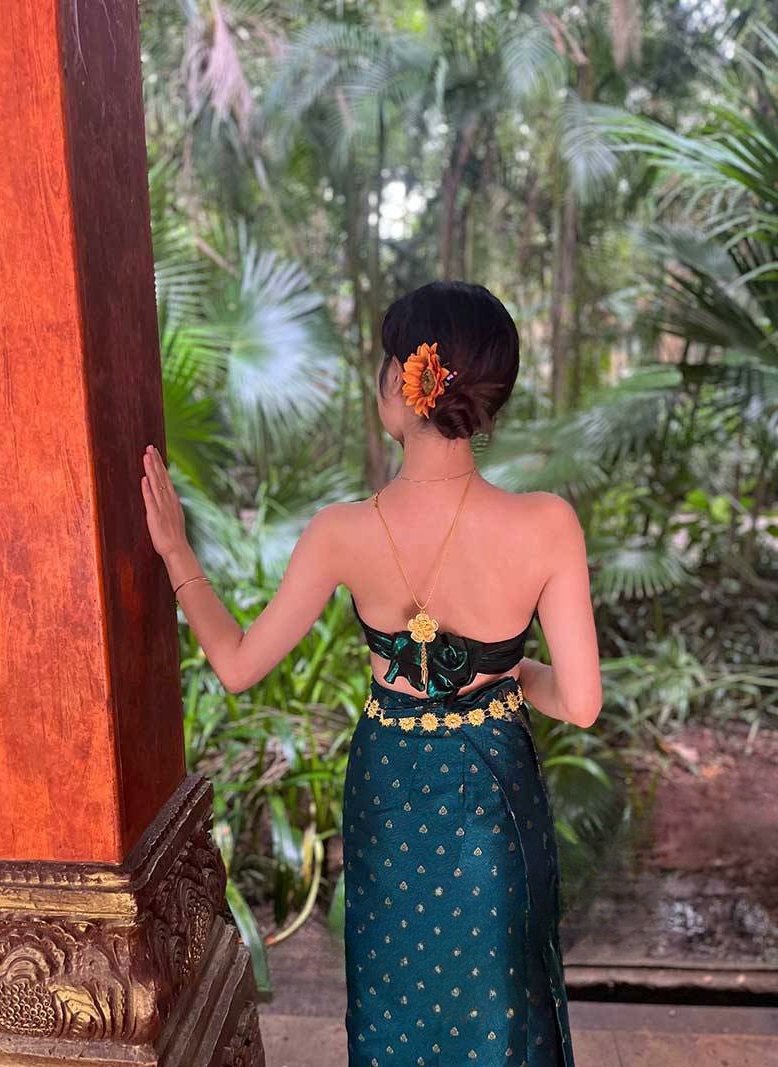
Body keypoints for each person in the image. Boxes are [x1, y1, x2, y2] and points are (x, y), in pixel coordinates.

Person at [141, 279, 602, 1067]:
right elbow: (583, 704)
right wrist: (511, 672)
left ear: (403, 379)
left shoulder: (341, 532)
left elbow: (238, 664)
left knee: (397, 999)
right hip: (492, 798)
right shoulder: (547, 525)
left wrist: (177, 551)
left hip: (390, 791)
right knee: (501, 999)